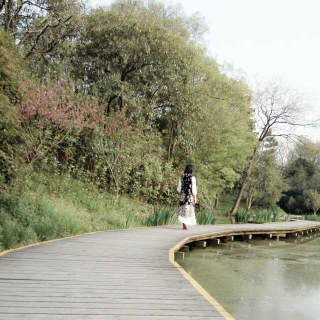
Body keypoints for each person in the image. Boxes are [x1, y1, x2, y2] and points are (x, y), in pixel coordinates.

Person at [177, 164, 197, 230]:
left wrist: (181, 192)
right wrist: (195, 197)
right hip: (189, 196)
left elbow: (179, 189)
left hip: (182, 195)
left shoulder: (181, 177)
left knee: (182, 209)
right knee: (188, 209)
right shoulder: (192, 178)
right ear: (191, 170)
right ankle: (186, 224)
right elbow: (193, 189)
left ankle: (184, 224)